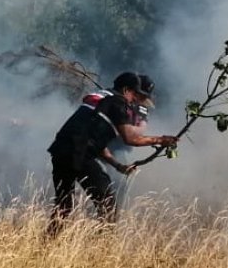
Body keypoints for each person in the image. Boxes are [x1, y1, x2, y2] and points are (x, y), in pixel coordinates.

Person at [46, 71, 177, 233]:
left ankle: (46, 246)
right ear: (125, 90)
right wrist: (160, 140)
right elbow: (130, 138)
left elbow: (91, 139)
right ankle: (102, 249)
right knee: (107, 203)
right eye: (135, 94)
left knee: (63, 205)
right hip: (79, 154)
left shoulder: (100, 98)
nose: (135, 99)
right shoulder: (117, 102)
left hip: (60, 150)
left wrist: (117, 165)